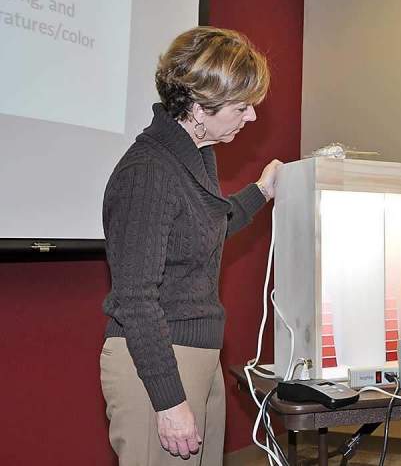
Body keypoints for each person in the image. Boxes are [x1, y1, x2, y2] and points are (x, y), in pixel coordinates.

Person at [99, 26, 281, 465]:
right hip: (158, 366)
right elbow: (136, 300)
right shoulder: (148, 171)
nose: (251, 117)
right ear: (199, 108)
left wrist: (262, 190)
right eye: (242, 107)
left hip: (196, 357)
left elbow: (204, 226)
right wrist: (168, 401)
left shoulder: (193, 157)